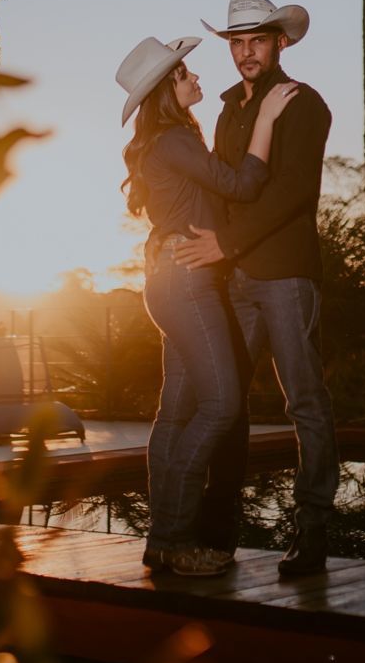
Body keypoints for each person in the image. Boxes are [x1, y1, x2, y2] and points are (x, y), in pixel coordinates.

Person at [116, 32, 297, 577]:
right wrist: (264, 122)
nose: (196, 78)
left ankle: (162, 540)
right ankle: (175, 538)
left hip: (174, 280)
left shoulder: (168, 141)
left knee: (175, 414)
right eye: (185, 74)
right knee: (220, 405)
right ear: (168, 90)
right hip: (186, 284)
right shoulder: (173, 141)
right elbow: (240, 186)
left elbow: (209, 199)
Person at [176, 0, 338, 578]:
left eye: (257, 41)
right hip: (235, 279)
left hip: (287, 275)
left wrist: (228, 243)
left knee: (305, 403)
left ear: (280, 42)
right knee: (223, 402)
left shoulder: (304, 104)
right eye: (238, 43)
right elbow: (226, 186)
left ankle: (313, 531)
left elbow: (295, 192)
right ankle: (216, 535)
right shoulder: (227, 112)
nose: (246, 52)